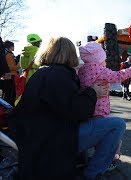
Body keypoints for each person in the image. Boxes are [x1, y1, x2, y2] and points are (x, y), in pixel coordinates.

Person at [8, 37, 109, 179]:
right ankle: (92, 173)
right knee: (116, 125)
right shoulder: (59, 75)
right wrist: (93, 92)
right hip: (52, 139)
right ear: (69, 54)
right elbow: (78, 111)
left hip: (36, 134)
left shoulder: (43, 73)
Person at [77, 42, 131, 179]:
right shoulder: (100, 70)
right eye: (103, 58)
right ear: (99, 58)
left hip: (87, 112)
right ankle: (98, 167)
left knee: (99, 137)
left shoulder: (82, 71)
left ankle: (94, 160)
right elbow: (118, 76)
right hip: (100, 111)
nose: (105, 61)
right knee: (109, 136)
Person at [3, 40, 19, 105]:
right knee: (11, 94)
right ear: (9, 47)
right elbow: (12, 68)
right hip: (11, 76)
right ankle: (9, 108)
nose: (14, 47)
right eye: (13, 46)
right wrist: (20, 64)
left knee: (7, 93)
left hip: (6, 76)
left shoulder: (4, 54)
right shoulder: (9, 55)